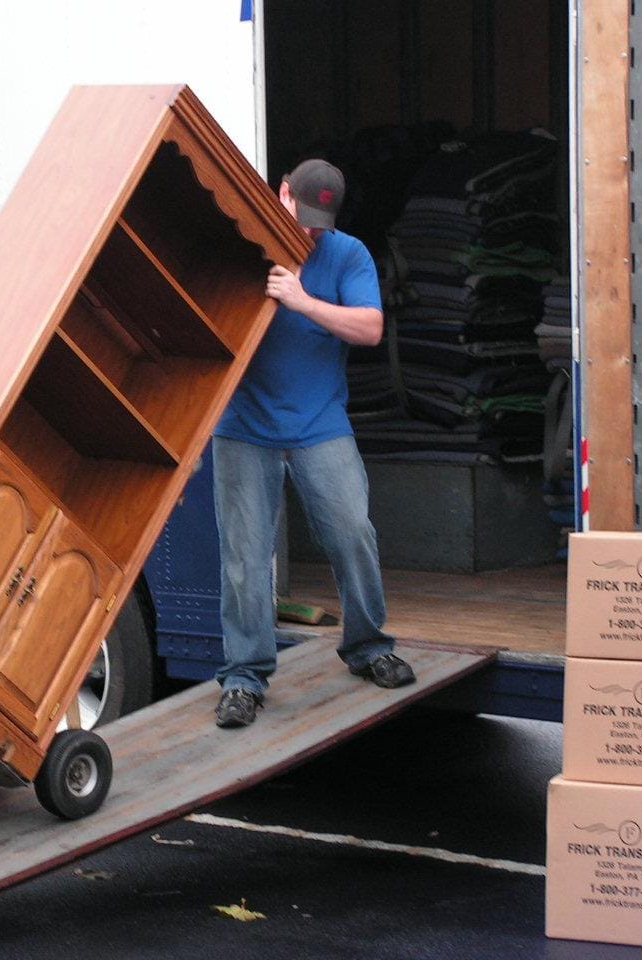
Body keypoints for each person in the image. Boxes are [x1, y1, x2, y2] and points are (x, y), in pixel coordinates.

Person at [212, 159, 416, 729]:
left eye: (318, 224)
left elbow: (370, 328)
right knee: (246, 558)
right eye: (302, 217)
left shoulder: (347, 254)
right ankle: (244, 678)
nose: (308, 233)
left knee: (352, 532)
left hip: (320, 423)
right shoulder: (241, 246)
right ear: (281, 194)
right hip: (243, 425)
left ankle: (369, 647)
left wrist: (301, 301)